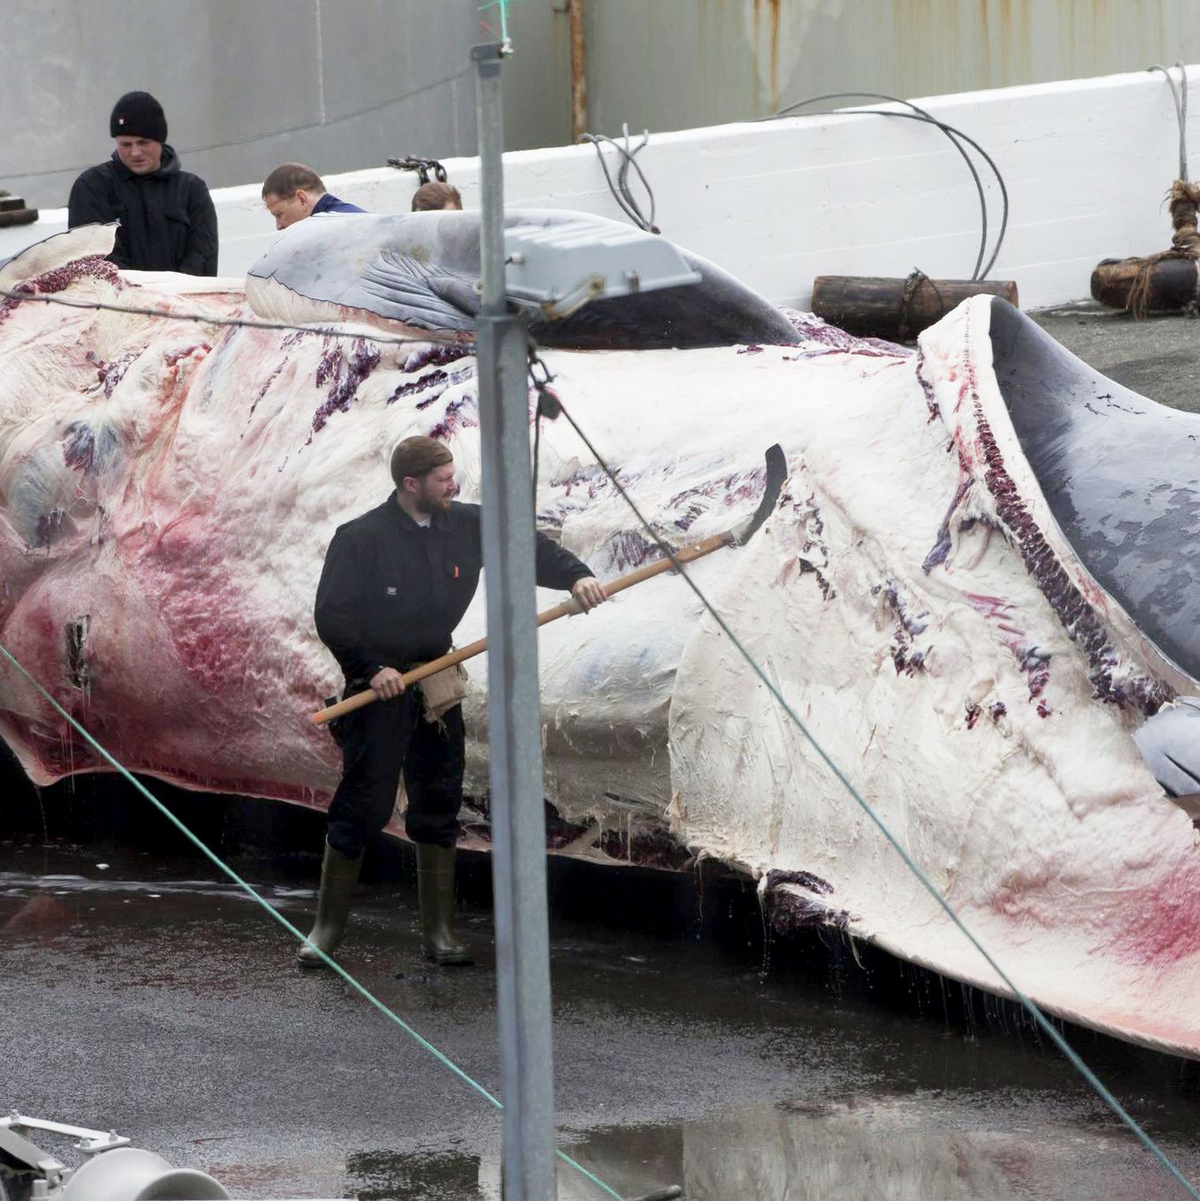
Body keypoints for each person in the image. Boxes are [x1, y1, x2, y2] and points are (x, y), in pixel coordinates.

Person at [306, 436, 607, 968]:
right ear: (410, 484)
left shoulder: (465, 525)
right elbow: (332, 613)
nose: (454, 485)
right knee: (364, 804)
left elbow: (526, 546)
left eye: (452, 476)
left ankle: (439, 933)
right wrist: (370, 668)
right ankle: (326, 931)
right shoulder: (360, 539)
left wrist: (576, 576)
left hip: (437, 682)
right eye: (443, 479)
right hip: (377, 686)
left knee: (439, 799)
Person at [67, 91, 218, 275]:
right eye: (126, 144)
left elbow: (203, 257)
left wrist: (173, 296)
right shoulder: (92, 187)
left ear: (160, 140)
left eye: (143, 142)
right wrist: (138, 295)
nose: (135, 152)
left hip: (182, 299)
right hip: (118, 301)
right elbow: (94, 259)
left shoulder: (192, 190)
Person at [261, 163, 365, 230]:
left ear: (301, 199)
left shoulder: (332, 231)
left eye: (280, 214)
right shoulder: (355, 220)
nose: (279, 226)